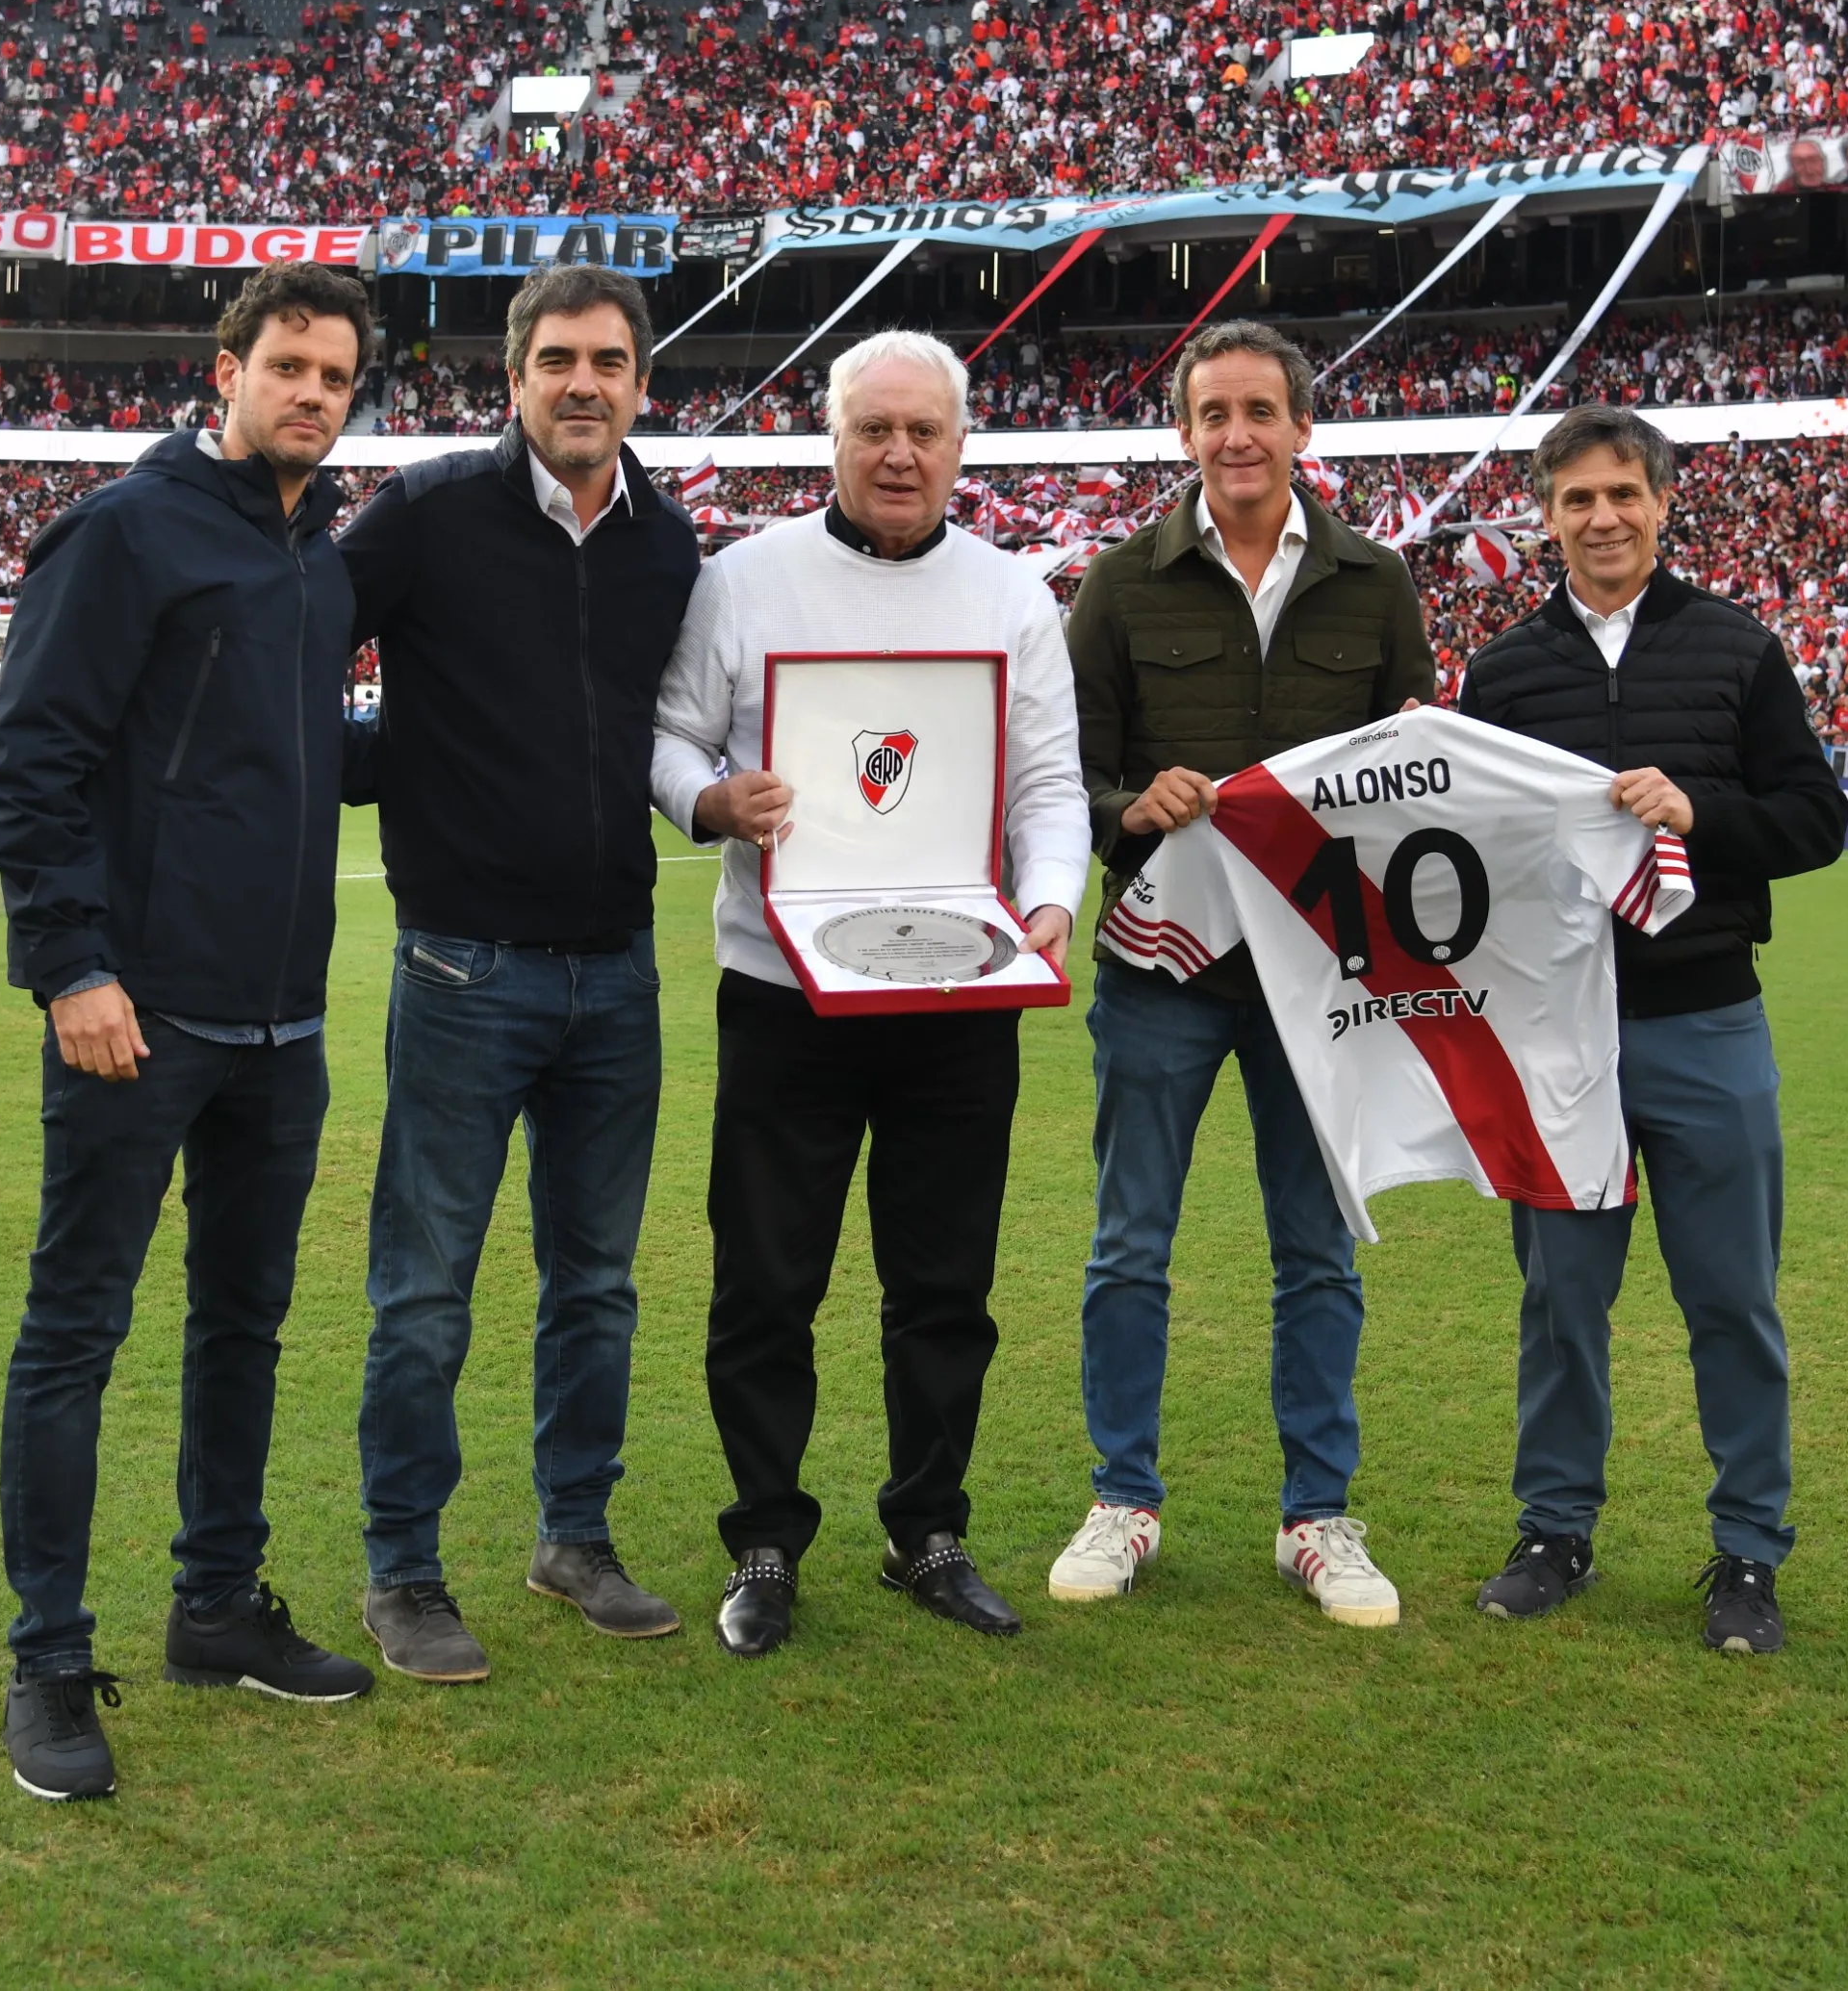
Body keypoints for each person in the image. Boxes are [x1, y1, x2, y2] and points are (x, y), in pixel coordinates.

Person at [0, 262, 385, 1804]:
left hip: (282, 1021)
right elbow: (34, 760)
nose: (311, 393)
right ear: (225, 366)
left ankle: (217, 1603)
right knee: (75, 1331)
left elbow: (296, 757)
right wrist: (72, 966)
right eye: (288, 363)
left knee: (245, 1326)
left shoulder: (319, 562)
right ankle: (46, 1656)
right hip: (134, 1016)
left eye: (336, 377)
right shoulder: (124, 529)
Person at [649, 330, 1090, 1659]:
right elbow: (669, 734)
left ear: (961, 445)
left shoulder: (1014, 594)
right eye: (873, 428)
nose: (900, 453)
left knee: (944, 1279)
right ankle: (767, 1539)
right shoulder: (745, 579)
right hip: (786, 986)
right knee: (767, 1279)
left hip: (959, 989)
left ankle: (928, 1528)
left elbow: (1050, 785)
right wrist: (710, 798)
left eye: (926, 431)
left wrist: (1053, 899)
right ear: (830, 437)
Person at [334, 264, 702, 1683]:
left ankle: (575, 1535)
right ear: (514, 377)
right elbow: (301, 647)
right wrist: (386, 767)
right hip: (463, 969)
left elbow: (671, 726)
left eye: (609, 360)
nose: (583, 382)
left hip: (616, 970)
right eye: (556, 357)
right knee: (424, 1290)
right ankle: (403, 1569)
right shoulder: (429, 513)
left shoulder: (669, 542)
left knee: (596, 1283)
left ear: (642, 383)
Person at [1053, 320, 1436, 1627]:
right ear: (1185, 431)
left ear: (1300, 427)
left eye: (1260, 409)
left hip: (1322, 975)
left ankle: (1318, 1515)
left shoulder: (1378, 584)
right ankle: (1124, 1499)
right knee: (1128, 1245)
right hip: (1161, 970)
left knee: (1318, 1249)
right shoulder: (1118, 584)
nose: (1237, 434)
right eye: (1213, 411)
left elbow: (1412, 780)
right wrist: (1132, 805)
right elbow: (1070, 785)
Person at [1458, 407, 1847, 1656]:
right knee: (1562, 1296)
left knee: (1731, 1297)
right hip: (1562, 1034)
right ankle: (1553, 1529)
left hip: (1706, 1018)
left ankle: (1748, 1551)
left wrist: (1703, 810)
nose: (1603, 516)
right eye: (1578, 498)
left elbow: (1815, 819)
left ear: (1664, 501)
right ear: (1548, 513)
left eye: (1623, 491)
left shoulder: (1737, 650)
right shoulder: (1507, 671)